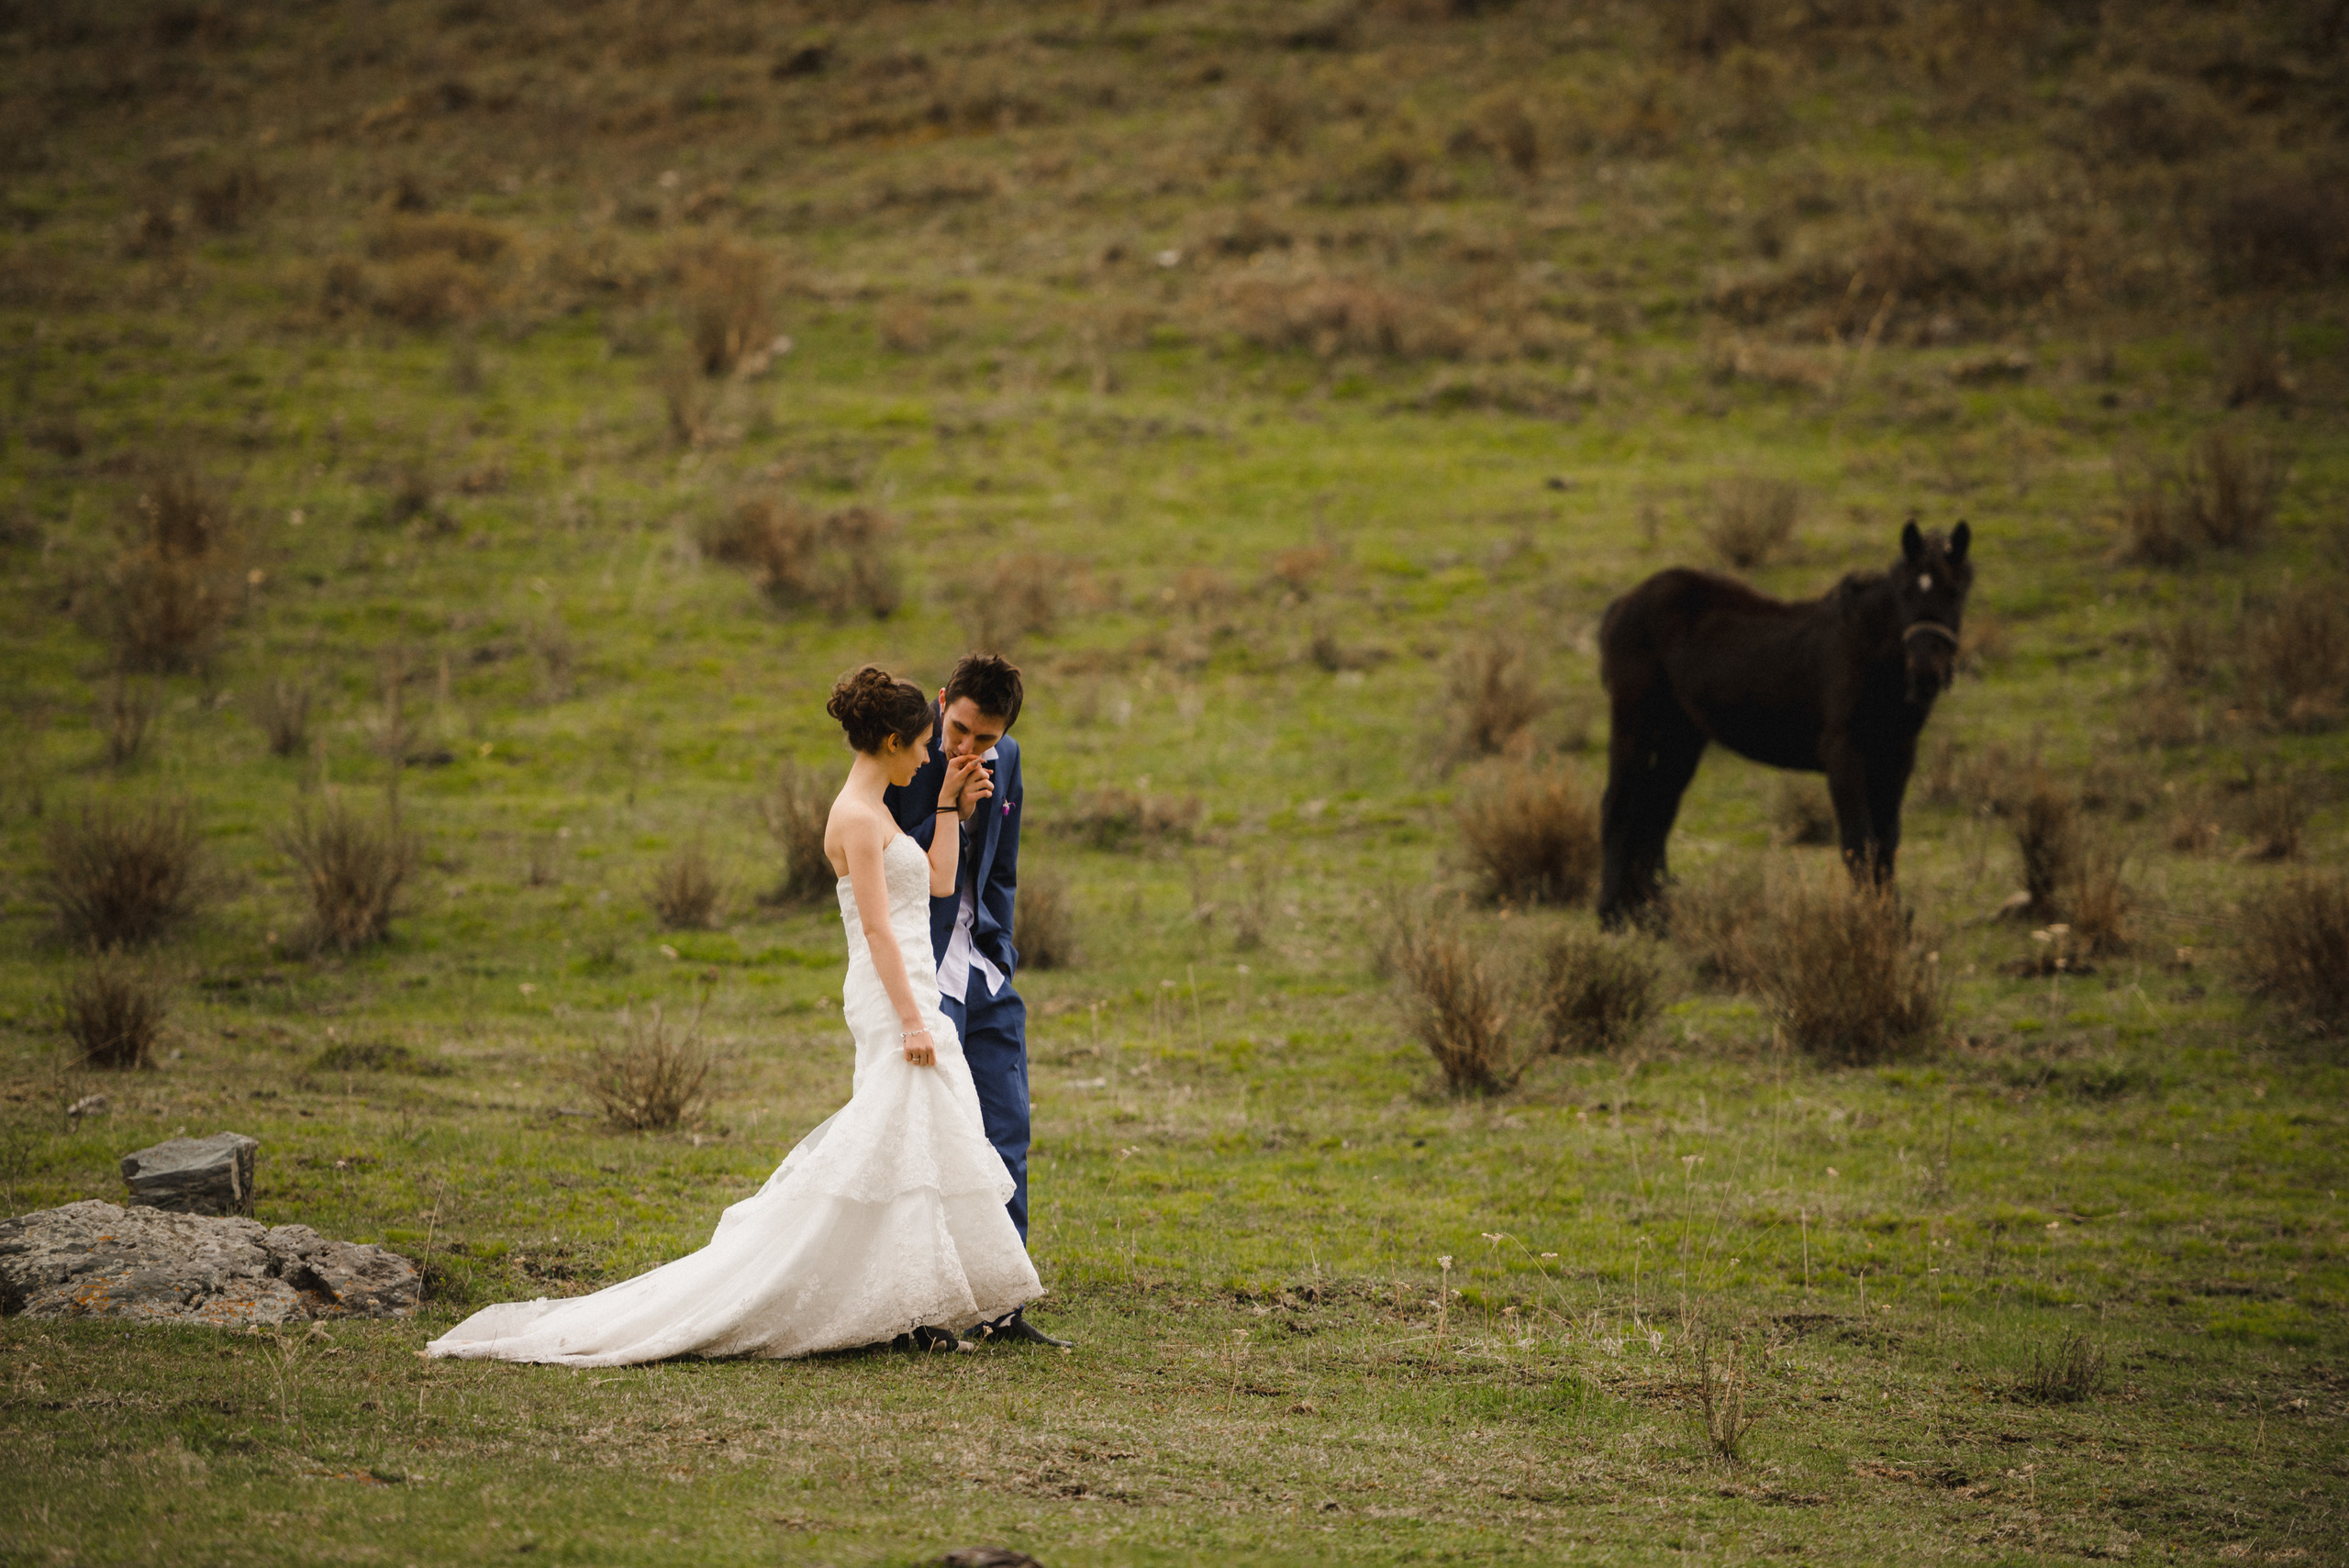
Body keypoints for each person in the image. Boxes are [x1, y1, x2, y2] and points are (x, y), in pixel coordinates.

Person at [422, 665, 1041, 1365]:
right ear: (896, 739)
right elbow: (876, 933)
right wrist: (911, 1020)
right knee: (893, 1137)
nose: (933, 757)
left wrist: (952, 810)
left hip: (918, 988)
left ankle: (912, 1303)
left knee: (914, 1138)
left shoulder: (889, 810)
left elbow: (934, 881)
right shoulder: (855, 817)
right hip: (894, 996)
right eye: (927, 744)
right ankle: (863, 1294)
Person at [885, 652, 1072, 1348]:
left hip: (983, 968)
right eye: (959, 730)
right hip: (925, 969)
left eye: (985, 739)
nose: (968, 748)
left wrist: (1000, 951)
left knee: (1008, 1128)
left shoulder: (1011, 758)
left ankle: (1003, 1304)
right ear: (942, 703)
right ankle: (923, 1309)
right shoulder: (903, 753)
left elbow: (1006, 868)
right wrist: (951, 813)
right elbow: (888, 862)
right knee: (932, 1134)